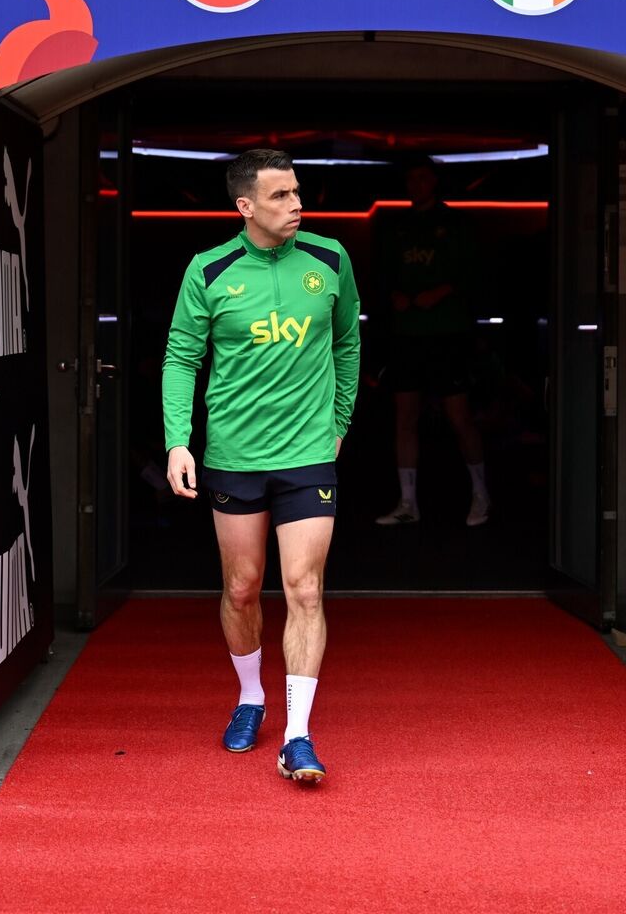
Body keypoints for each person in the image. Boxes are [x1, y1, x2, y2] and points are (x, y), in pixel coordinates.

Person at [163, 149, 360, 784]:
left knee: (304, 589)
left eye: (297, 191)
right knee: (243, 588)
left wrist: (339, 422)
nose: (296, 204)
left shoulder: (330, 259)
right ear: (244, 206)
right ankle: (251, 698)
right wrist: (177, 440)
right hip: (235, 458)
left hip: (308, 454)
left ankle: (298, 736)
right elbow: (180, 359)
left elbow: (350, 342)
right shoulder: (209, 269)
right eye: (280, 196)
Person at [377, 157, 490, 527]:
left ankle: (481, 494)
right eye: (411, 178)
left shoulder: (455, 223)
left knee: (459, 416)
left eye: (423, 178)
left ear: (435, 183)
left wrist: (441, 291)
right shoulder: (398, 226)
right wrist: (394, 295)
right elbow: (383, 276)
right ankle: (408, 502)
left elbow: (475, 274)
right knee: (404, 417)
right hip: (408, 336)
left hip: (448, 334)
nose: (417, 185)